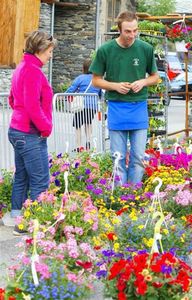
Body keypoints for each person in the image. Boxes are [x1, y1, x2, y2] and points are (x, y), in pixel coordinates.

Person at [90, 11, 159, 184]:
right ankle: (120, 196)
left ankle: (133, 195)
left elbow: (155, 77)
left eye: (135, 30)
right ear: (119, 29)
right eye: (128, 31)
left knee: (138, 157)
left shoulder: (145, 49)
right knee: (117, 157)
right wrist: (115, 86)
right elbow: (96, 80)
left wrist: (142, 82)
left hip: (139, 107)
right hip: (116, 106)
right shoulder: (105, 50)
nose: (132, 35)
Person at [7, 30, 57, 235]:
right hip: (29, 133)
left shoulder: (22, 66)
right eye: (50, 51)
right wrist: (45, 127)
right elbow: (32, 106)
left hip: (18, 129)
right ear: (39, 49)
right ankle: (30, 225)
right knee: (40, 180)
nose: (51, 55)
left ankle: (17, 216)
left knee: (22, 177)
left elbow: (12, 99)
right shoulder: (33, 71)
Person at [66, 59, 102, 151]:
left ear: (84, 68)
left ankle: (78, 146)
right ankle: (88, 142)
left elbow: (71, 89)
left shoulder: (80, 78)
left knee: (78, 126)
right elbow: (101, 93)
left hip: (80, 105)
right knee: (88, 123)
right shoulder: (97, 79)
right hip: (92, 106)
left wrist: (62, 96)